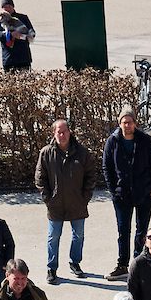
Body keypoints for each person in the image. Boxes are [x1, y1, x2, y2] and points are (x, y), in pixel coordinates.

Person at [34, 120, 97, 286]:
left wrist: (85, 197)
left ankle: (75, 262)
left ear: (70, 132)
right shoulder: (46, 153)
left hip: (77, 203)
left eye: (64, 132)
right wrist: (48, 198)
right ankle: (52, 268)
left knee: (79, 235)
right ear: (54, 134)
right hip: (55, 205)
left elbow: (91, 175)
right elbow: (40, 178)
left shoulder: (82, 153)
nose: (62, 135)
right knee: (53, 237)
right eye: (58, 132)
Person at [103, 110, 151, 279]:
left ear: (135, 123)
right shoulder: (112, 141)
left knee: (141, 230)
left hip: (144, 192)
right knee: (123, 231)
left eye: (130, 122)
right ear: (119, 123)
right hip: (122, 195)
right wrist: (113, 190)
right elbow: (107, 167)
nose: (127, 125)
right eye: (124, 122)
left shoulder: (145, 140)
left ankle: (138, 263)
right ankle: (122, 265)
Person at [0, 0, 34, 70]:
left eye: (9, 6)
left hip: (24, 58)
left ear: (13, 6)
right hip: (9, 59)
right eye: (5, 7)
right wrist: (11, 35)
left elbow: (31, 32)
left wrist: (22, 36)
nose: (7, 9)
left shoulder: (23, 18)